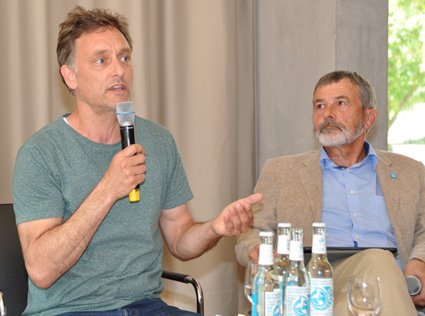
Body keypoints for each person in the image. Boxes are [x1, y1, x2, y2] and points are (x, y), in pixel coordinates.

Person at [12, 6, 262, 316]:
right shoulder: (40, 153)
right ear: (70, 76)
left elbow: (181, 238)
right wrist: (108, 188)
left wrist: (216, 227)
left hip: (146, 307)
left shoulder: (157, 141)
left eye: (125, 58)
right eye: (102, 60)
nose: (119, 70)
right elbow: (41, 269)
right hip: (71, 309)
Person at [235, 70, 425, 315]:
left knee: (379, 264)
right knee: (378, 259)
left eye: (341, 103)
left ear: (369, 118)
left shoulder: (410, 171)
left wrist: (419, 260)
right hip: (313, 288)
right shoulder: (281, 172)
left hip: (389, 288)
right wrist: (256, 248)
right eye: (319, 105)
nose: (327, 114)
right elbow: (250, 232)